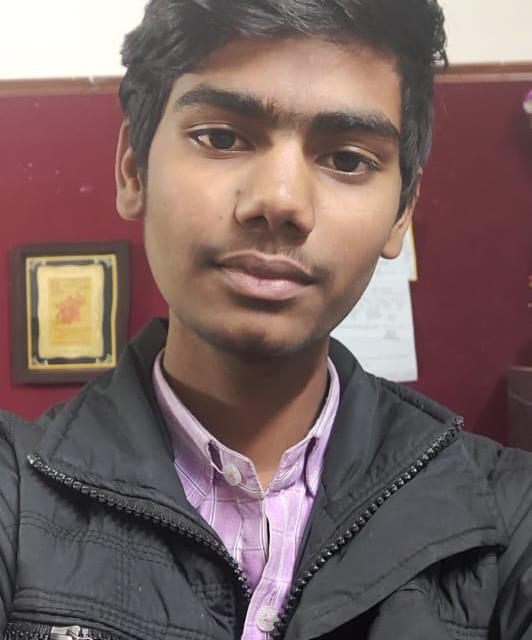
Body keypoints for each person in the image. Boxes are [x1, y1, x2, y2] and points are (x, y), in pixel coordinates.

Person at [1, 1, 531, 638]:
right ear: (133, 168)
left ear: (401, 213)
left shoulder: (510, 516)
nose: (279, 201)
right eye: (222, 138)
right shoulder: (15, 491)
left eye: (347, 159)